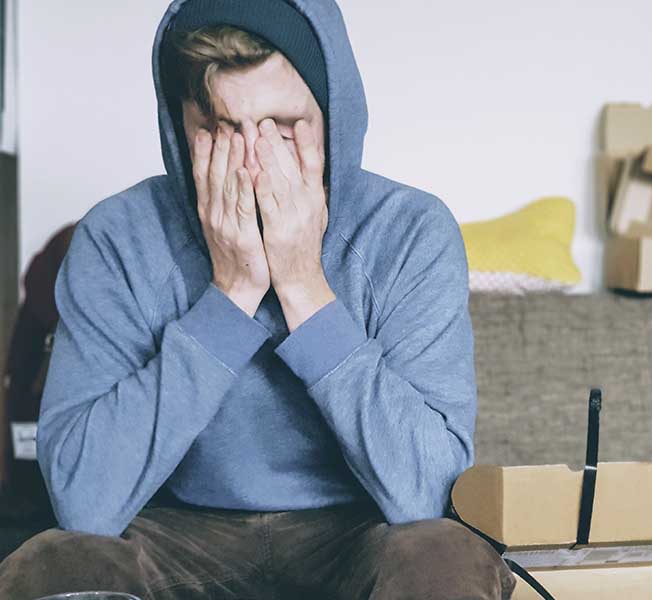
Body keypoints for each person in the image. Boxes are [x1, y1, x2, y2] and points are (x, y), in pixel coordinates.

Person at [0, 1, 517, 598]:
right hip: (174, 532)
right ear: (178, 125)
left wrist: (303, 286)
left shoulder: (410, 232)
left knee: (443, 555)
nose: (251, 161)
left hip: (358, 532)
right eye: (219, 128)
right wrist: (233, 291)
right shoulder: (116, 237)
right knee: (54, 562)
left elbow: (429, 494)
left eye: (285, 125)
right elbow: (84, 504)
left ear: (332, 115)